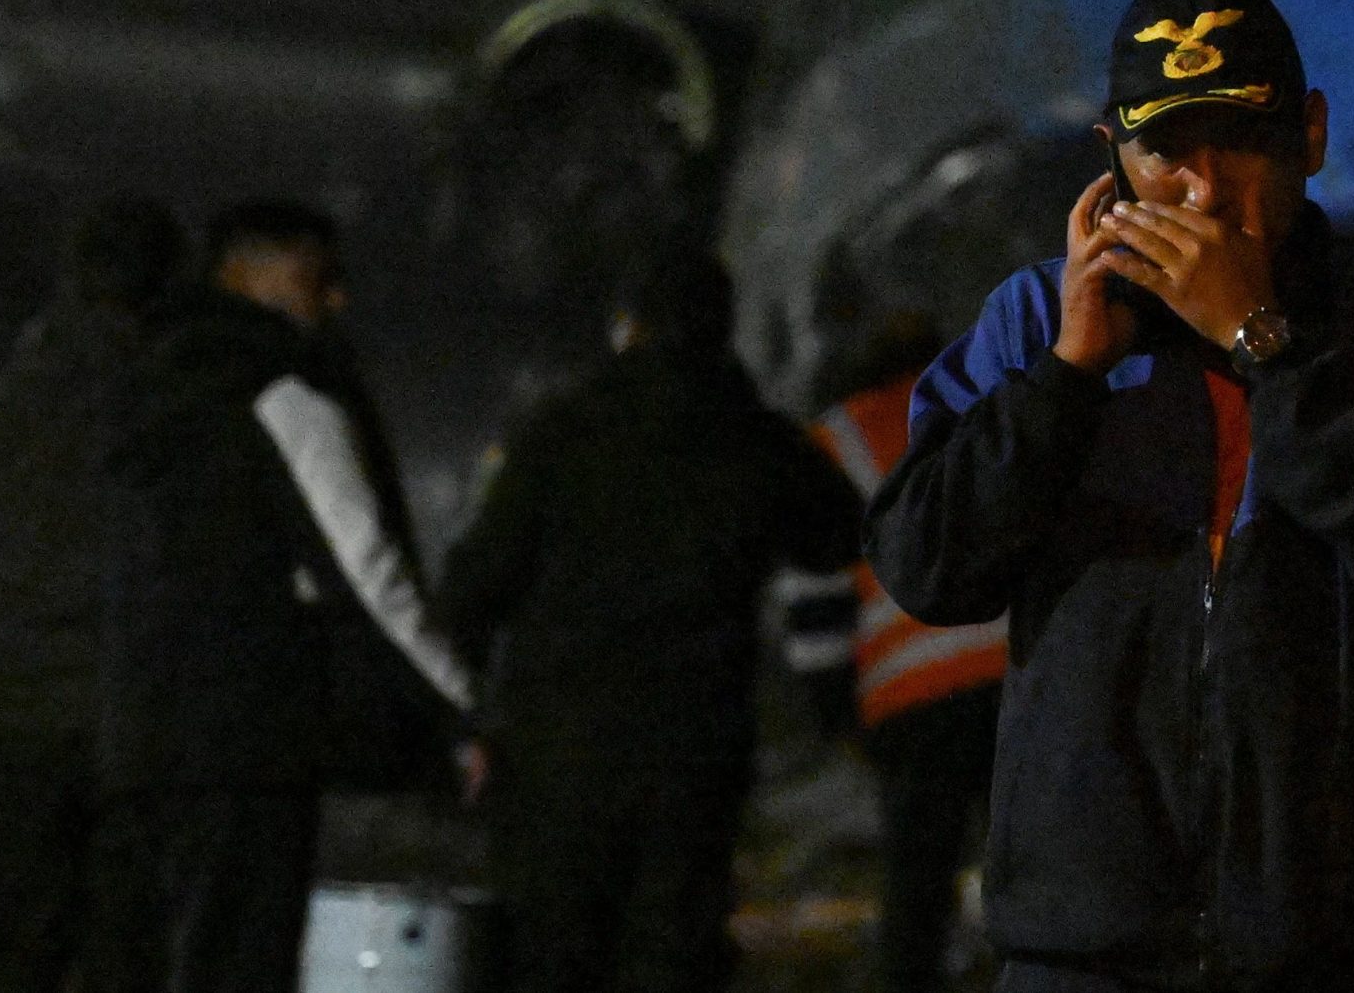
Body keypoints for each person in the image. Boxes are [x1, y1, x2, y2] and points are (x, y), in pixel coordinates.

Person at [865, 0, 1354, 993]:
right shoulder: (1038, 322)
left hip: (1338, 951)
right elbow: (927, 569)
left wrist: (1263, 341)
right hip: (1080, 954)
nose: (1204, 188)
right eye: (1166, 150)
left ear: (1309, 134)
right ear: (1113, 159)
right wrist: (1064, 377)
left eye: (1244, 138)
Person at [437, 244, 863, 993]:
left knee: (553, 951)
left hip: (559, 745)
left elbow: (476, 583)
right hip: (693, 746)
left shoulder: (562, 432)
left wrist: (461, 715)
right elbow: (835, 534)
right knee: (672, 954)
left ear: (629, 326)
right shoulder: (755, 438)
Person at [92, 200, 474, 993]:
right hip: (246, 740)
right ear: (253, 276)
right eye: (319, 279)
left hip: (134, 733)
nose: (336, 301)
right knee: (240, 964)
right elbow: (367, 572)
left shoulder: (147, 383)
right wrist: (458, 706)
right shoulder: (283, 394)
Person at [0, 197, 187, 993]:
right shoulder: (192, 406)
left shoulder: (3, 411)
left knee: (3, 956)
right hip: (148, 732)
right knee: (130, 957)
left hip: (10, 726)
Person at [782, 313, 1005, 993]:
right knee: (1038, 864)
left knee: (917, 888)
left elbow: (815, 591)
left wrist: (834, 711)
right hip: (1012, 670)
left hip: (910, 698)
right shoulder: (981, 404)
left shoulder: (833, 441)